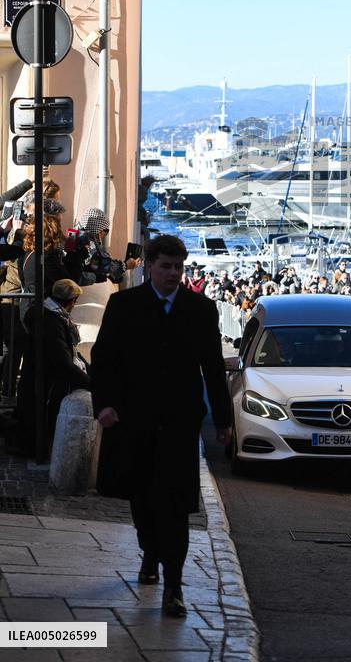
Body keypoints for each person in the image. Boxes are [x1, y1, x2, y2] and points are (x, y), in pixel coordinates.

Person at [90, 234, 232, 618]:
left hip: (180, 423)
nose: (172, 273)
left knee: (175, 505)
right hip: (134, 419)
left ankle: (174, 586)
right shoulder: (124, 305)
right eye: (165, 266)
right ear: (150, 266)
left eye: (178, 267)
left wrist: (223, 421)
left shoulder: (201, 309)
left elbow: (213, 368)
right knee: (141, 498)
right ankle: (149, 552)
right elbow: (104, 358)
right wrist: (104, 404)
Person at [16, 279, 89, 454]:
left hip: (40, 382)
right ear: (72, 301)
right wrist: (90, 382)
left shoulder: (50, 314)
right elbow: (63, 361)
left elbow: (69, 353)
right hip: (46, 385)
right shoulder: (52, 322)